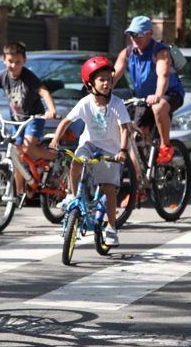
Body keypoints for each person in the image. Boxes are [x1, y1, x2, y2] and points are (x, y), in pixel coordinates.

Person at [49, 56, 130, 246]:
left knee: (109, 189)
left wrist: (123, 150)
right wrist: (55, 139)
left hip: (110, 149)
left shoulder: (117, 103)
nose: (107, 83)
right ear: (90, 83)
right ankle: (72, 194)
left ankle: (112, 228)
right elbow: (66, 121)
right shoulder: (85, 103)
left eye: (109, 79)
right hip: (90, 144)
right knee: (76, 161)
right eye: (102, 80)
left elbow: (124, 128)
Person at [0, 41, 58, 200]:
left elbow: (44, 92)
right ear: (4, 60)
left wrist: (51, 110)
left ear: (24, 61)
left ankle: (54, 157)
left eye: (18, 62)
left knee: (28, 147)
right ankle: (19, 192)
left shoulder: (28, 77)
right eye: (10, 61)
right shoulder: (2, 76)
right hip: (17, 120)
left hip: (33, 118)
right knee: (16, 155)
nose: (14, 65)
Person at [112, 15, 185, 164]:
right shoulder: (127, 53)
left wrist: (158, 95)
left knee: (158, 107)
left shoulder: (160, 52)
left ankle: (166, 147)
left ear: (150, 34)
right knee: (136, 139)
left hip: (169, 93)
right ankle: (139, 177)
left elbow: (163, 75)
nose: (134, 38)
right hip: (145, 99)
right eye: (132, 34)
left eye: (138, 34)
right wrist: (101, 93)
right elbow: (113, 76)